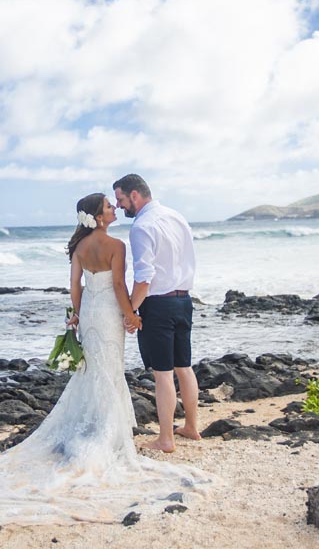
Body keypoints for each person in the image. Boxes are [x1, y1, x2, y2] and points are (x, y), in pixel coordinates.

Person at [0, 193, 208, 524]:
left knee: (93, 371)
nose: (115, 209)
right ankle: (112, 434)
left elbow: (75, 286)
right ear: (99, 217)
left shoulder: (79, 248)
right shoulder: (117, 246)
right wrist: (131, 313)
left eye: (115, 204)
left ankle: (100, 427)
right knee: (110, 370)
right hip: (111, 313)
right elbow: (117, 284)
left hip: (90, 315)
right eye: (109, 207)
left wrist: (76, 315)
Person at [113, 174, 201, 453]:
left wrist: (131, 310)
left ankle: (166, 439)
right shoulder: (176, 217)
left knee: (162, 374)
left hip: (159, 305)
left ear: (135, 195)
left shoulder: (142, 226)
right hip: (184, 301)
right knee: (184, 367)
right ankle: (191, 427)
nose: (119, 206)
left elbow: (144, 277)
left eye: (121, 199)